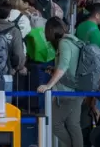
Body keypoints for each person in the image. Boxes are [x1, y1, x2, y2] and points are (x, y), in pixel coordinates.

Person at [37, 17, 85, 147]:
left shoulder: (64, 43)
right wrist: (54, 71)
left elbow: (63, 66)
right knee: (73, 124)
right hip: (77, 90)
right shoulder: (73, 39)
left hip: (68, 92)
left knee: (54, 123)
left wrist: (48, 85)